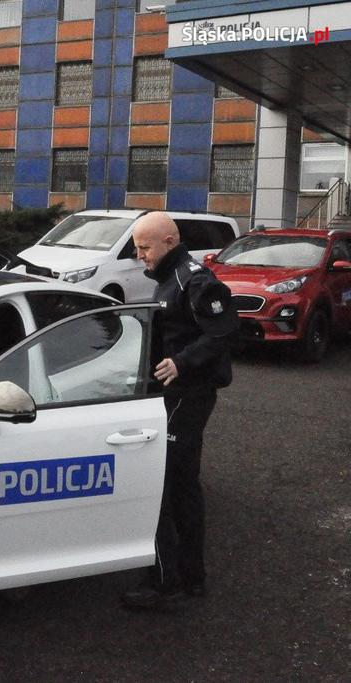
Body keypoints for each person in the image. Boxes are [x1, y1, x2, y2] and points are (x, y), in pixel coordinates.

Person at [122, 211, 238, 609]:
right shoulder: (167, 278)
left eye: (145, 247)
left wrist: (182, 362)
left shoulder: (197, 280)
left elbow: (222, 333)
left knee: (164, 487)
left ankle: (164, 582)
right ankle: (192, 577)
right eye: (137, 248)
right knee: (185, 487)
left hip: (187, 396)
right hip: (172, 396)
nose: (140, 256)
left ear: (170, 242)